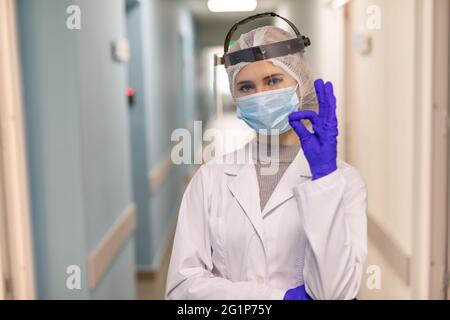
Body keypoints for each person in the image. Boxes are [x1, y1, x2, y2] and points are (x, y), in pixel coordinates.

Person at [165, 16, 367, 300]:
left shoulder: (344, 181)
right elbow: (180, 290)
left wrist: (324, 181)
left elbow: (336, 293)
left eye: (273, 81)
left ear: (300, 83)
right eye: (246, 87)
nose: (260, 95)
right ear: (235, 95)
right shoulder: (210, 178)